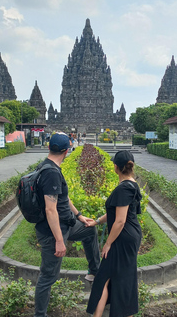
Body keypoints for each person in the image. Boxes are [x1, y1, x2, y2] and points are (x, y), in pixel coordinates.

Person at [34, 132, 100, 317]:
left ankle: (94, 270)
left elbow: (64, 198)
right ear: (67, 150)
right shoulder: (50, 173)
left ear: (49, 148)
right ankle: (40, 315)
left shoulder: (49, 167)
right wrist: (59, 241)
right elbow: (50, 209)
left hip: (66, 224)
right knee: (48, 276)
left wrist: (79, 216)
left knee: (89, 230)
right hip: (53, 232)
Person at [86, 150, 143, 317]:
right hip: (129, 236)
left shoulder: (123, 188)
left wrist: (108, 243)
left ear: (116, 167)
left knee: (104, 277)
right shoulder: (132, 184)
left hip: (122, 238)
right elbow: (116, 212)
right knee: (120, 277)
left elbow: (120, 221)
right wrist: (97, 221)